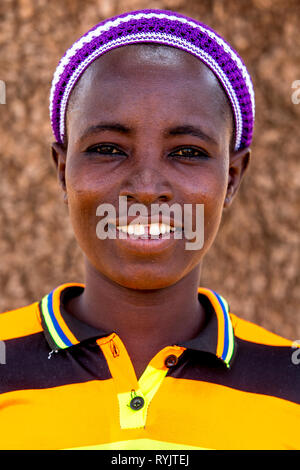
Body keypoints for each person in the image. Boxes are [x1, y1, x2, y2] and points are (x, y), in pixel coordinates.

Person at [0, 9, 299, 451]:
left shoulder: (288, 383)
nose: (145, 189)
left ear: (232, 177)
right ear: (63, 171)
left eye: (188, 152)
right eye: (107, 149)